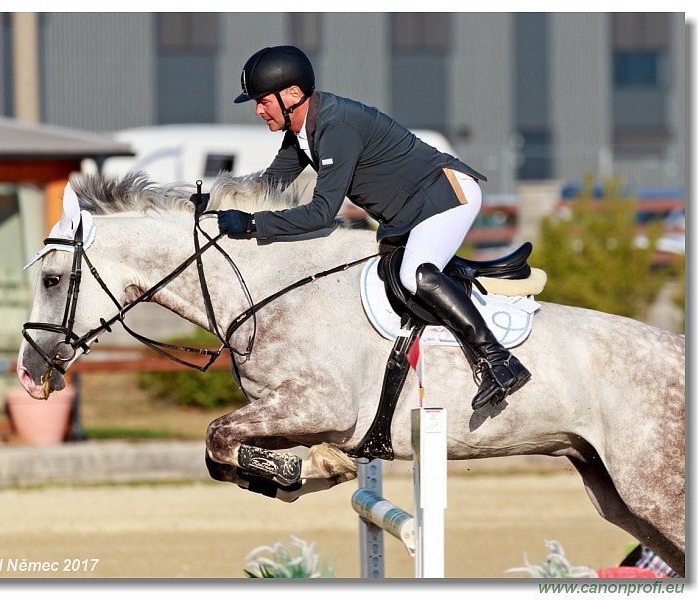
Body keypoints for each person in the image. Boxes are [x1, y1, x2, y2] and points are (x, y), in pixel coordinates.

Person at [218, 45, 530, 410]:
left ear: (292, 94)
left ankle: (499, 361)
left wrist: (255, 224)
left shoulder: (335, 127)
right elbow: (265, 187)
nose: (258, 110)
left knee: (417, 274)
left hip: (446, 195)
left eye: (262, 100)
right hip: (413, 211)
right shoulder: (303, 131)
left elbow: (321, 213)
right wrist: (211, 205)